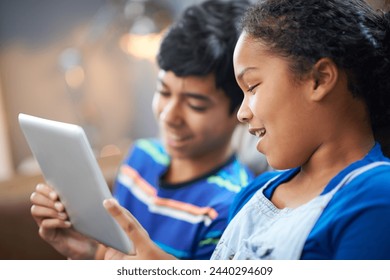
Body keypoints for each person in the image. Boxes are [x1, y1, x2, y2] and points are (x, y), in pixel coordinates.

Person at [102, 0, 390, 260]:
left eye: (252, 87)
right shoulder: (254, 194)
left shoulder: (377, 195)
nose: (242, 113)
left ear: (318, 79)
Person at [29, 0, 257, 260]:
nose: (169, 116)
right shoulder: (141, 156)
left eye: (195, 105)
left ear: (241, 107)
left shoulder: (231, 207)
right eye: (163, 91)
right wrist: (88, 252)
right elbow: (112, 255)